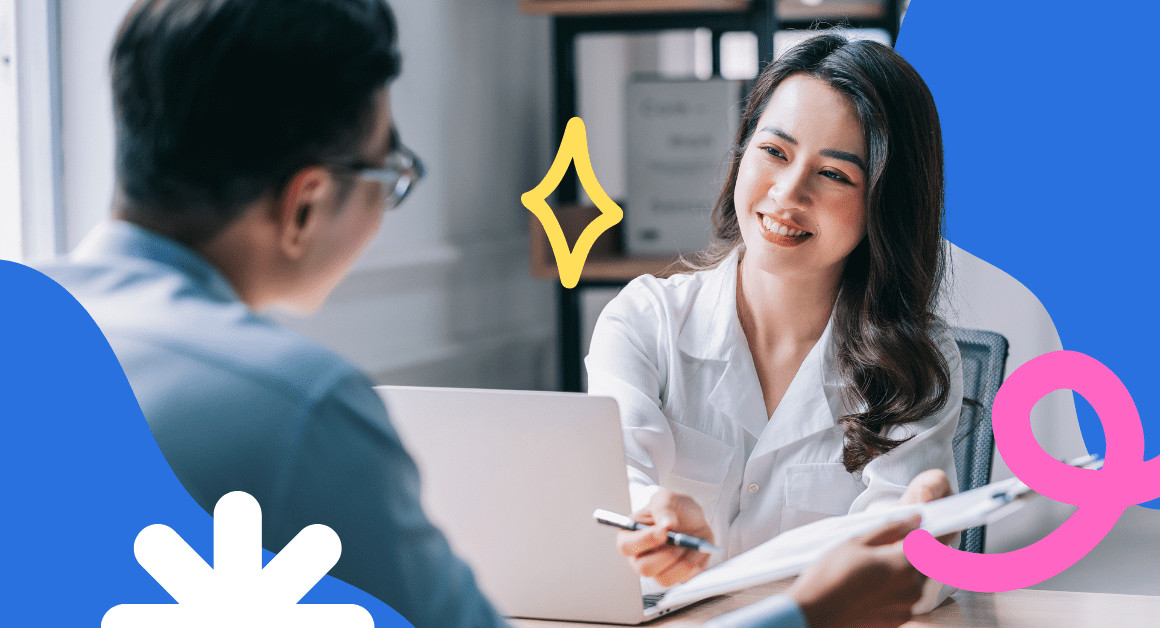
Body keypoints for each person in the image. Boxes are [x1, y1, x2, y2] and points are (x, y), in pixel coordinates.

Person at [41, 3, 936, 627]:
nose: (787, 192)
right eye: (389, 177)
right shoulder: (298, 408)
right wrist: (812, 616)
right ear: (307, 204)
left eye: (836, 172)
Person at [587, 33, 963, 587]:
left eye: (834, 174)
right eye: (774, 152)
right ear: (742, 152)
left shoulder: (915, 361)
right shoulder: (644, 322)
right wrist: (650, 515)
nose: (789, 192)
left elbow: (891, 578)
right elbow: (611, 477)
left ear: (887, 203)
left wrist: (923, 550)